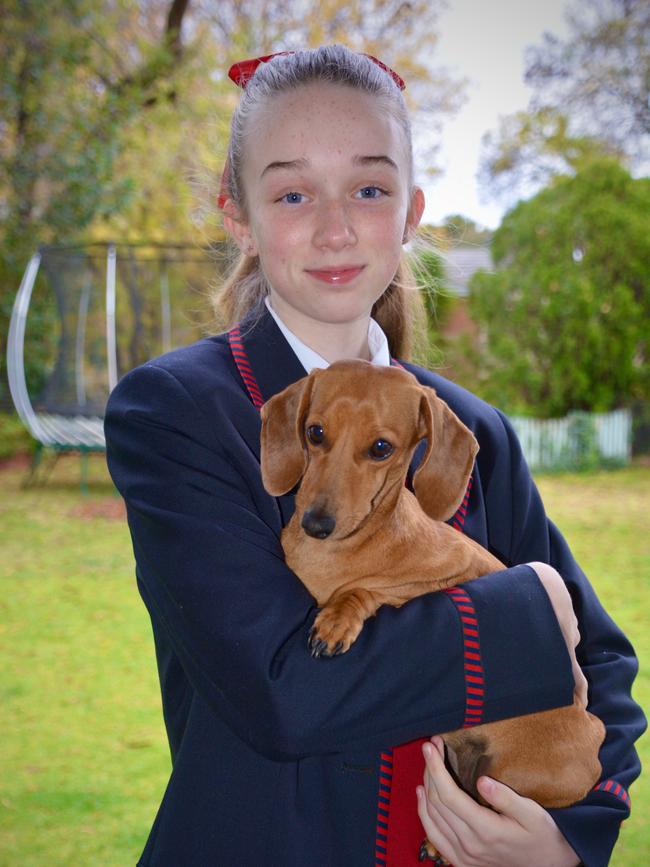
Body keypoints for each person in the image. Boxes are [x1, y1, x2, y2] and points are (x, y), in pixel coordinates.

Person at [104, 45, 644, 867]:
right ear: (237, 215)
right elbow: (287, 689)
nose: (334, 226)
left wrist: (563, 841)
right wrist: (527, 610)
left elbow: (599, 660)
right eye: (292, 192)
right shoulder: (177, 411)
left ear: (412, 212)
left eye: (369, 188)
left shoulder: (473, 431)